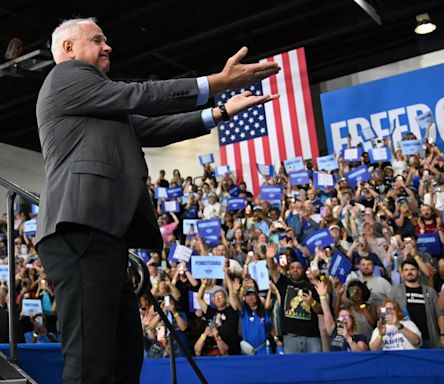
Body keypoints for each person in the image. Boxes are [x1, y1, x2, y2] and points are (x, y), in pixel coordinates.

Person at [35, 17, 279, 384]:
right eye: (97, 39)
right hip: (79, 228)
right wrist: (215, 83)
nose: (108, 47)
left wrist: (221, 111)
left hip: (104, 235)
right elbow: (141, 95)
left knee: (123, 356)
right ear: (68, 48)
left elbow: (152, 128)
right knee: (91, 360)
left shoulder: (98, 104)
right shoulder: (65, 76)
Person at [266, 243, 322, 353]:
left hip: (312, 337)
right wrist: (269, 257)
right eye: (292, 268)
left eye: (298, 268)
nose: (295, 270)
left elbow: (320, 310)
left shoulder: (311, 286)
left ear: (303, 270)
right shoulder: (284, 283)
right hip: (290, 338)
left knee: (315, 367)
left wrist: (312, 302)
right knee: (293, 369)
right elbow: (272, 270)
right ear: (289, 271)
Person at [391, 259, 444, 348]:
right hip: (405, 338)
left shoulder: (430, 291)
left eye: (413, 269)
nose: (409, 272)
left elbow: (440, 314)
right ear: (402, 274)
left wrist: (443, 335)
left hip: (429, 338)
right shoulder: (395, 291)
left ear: (418, 272)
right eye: (406, 270)